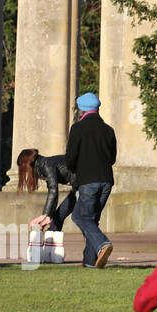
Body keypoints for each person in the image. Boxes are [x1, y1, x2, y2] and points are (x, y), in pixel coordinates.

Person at [65, 92, 117, 268]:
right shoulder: (108, 130)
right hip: (106, 181)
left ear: (81, 110)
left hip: (88, 181)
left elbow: (70, 157)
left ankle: (103, 243)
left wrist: (73, 170)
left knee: (80, 217)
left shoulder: (77, 129)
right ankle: (89, 262)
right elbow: (112, 158)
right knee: (91, 220)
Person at [17, 149, 77, 233]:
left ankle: (98, 243)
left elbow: (53, 190)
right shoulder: (45, 164)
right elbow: (53, 191)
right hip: (79, 187)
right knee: (58, 217)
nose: (27, 173)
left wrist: (45, 215)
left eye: (25, 169)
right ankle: (50, 242)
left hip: (86, 185)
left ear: (28, 164)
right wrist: (48, 215)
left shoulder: (46, 164)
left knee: (82, 219)